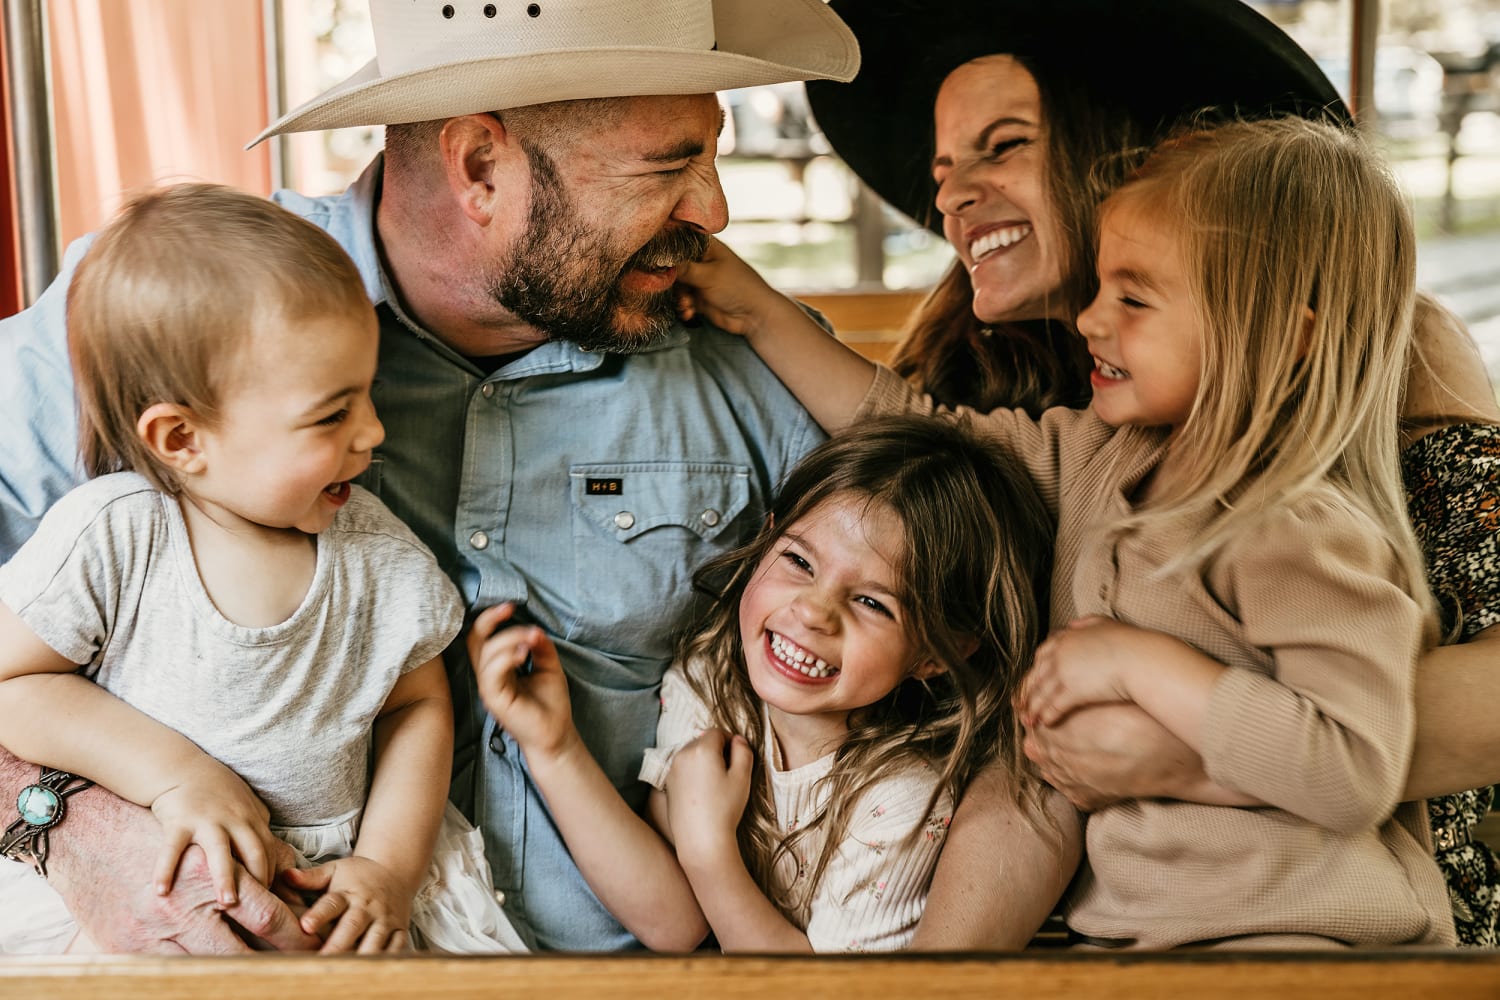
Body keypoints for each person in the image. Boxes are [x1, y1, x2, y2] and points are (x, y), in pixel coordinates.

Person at [0, 0, 888, 953]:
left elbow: (972, 587)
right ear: (478, 165)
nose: (713, 213)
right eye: (668, 164)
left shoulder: (762, 356)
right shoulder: (165, 311)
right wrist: (63, 820)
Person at [800, 0, 1500, 947]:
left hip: (1315, 904)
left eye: (1001, 146)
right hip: (1106, 901)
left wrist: (1188, 752)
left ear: (1121, 155)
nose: (952, 197)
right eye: (941, 169)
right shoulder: (982, 375)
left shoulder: (1373, 358)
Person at [0, 185, 525, 956]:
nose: (374, 432)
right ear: (182, 438)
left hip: (335, 897)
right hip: (140, 897)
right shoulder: (116, 536)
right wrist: (174, 774)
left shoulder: (377, 556)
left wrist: (387, 865)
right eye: (331, 415)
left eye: (368, 397)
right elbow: (14, 685)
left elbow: (417, 707)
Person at [468, 416, 1057, 952]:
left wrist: (708, 850)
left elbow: (811, 992)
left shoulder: (900, 800)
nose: (814, 613)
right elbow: (671, 923)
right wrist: (554, 747)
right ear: (768, 539)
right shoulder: (712, 677)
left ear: (938, 653)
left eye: (873, 603)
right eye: (800, 562)